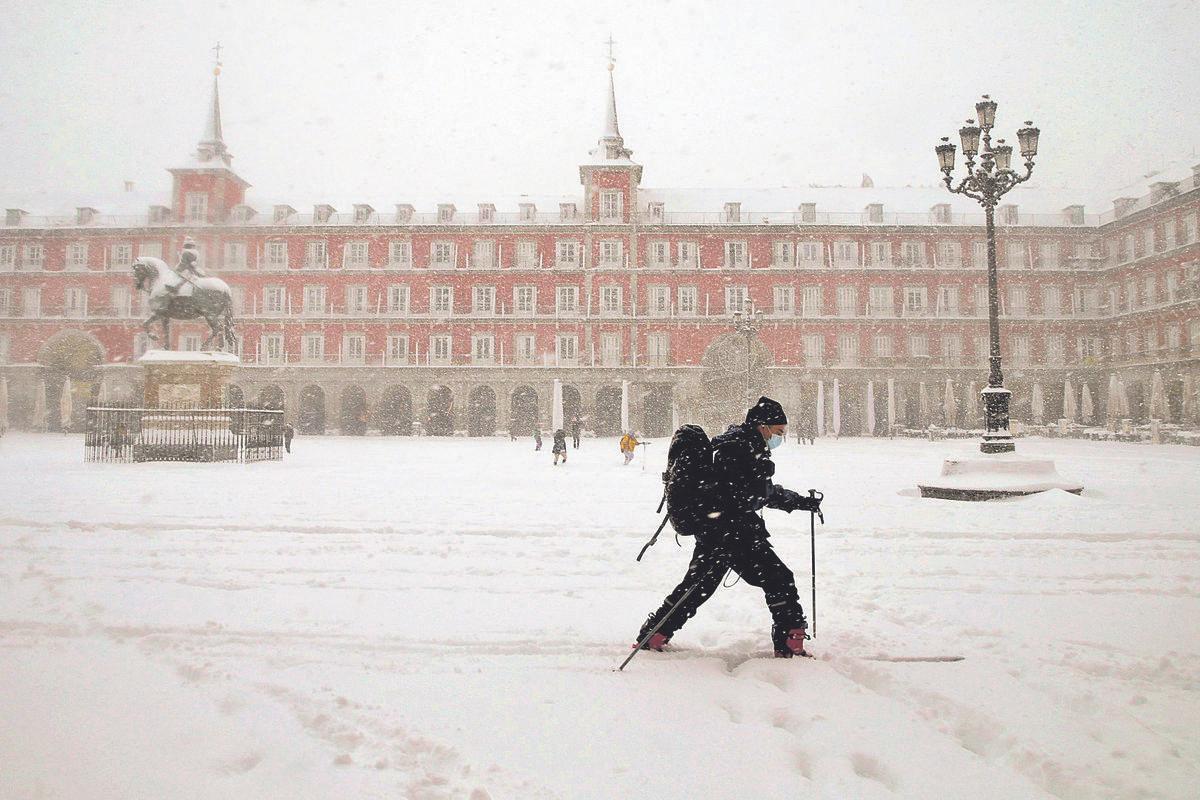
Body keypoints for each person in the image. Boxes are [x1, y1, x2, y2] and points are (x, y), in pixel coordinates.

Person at [634, 397, 822, 659]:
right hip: (733, 533)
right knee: (779, 579)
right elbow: (746, 495)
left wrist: (797, 501)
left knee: (697, 587)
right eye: (779, 432)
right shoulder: (739, 448)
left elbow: (754, 493)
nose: (780, 438)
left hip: (719, 529)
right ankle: (791, 641)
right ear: (763, 426)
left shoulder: (740, 443)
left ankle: (655, 633)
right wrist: (772, 490)